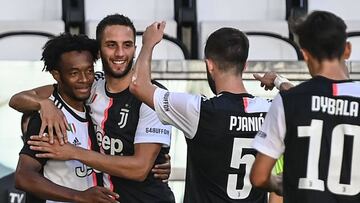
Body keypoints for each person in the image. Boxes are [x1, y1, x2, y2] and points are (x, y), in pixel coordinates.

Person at [9, 14, 174, 202]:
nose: (120, 53)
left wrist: (73, 152)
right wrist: (43, 103)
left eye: (127, 45)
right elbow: (18, 99)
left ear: (134, 49)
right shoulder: (91, 85)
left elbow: (139, 168)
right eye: (111, 45)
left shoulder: (153, 96)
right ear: (99, 51)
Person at [127, 21, 273, 202]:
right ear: (244, 65)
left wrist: (148, 44)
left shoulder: (199, 110)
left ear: (210, 65)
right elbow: (303, 101)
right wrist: (278, 80)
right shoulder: (270, 109)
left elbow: (137, 85)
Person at [250, 11, 360, 203]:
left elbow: (258, 177)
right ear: (348, 49)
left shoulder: (288, 102)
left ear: (305, 54)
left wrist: (278, 184)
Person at [14, 33, 119, 203]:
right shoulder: (48, 119)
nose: (84, 79)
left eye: (89, 71)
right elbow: (23, 176)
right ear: (57, 75)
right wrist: (79, 196)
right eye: (74, 73)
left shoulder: (98, 102)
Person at [0, 113, 31, 203]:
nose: (34, 140)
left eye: (41, 134)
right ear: (23, 139)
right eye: (28, 136)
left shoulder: (66, 182)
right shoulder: (4, 185)